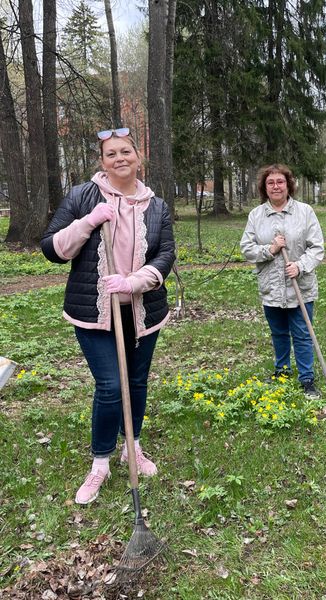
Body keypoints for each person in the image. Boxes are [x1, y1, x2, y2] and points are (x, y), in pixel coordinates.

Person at [40, 127, 175, 505]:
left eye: (126, 152)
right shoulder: (83, 197)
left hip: (141, 309)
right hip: (94, 311)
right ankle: (100, 461)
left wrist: (135, 281)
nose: (120, 158)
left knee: (136, 382)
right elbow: (52, 248)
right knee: (111, 386)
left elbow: (165, 254)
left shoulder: (157, 205)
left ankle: (132, 446)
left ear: (138, 157)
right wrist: (88, 222)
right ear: (102, 162)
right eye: (111, 153)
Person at [240, 164, 324, 399]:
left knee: (303, 333)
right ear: (264, 188)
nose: (276, 186)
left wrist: (300, 266)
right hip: (272, 287)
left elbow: (317, 248)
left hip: (301, 286)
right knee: (278, 332)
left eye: (280, 182)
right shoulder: (256, 216)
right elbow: (247, 249)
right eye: (270, 183)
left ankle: (307, 378)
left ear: (288, 185)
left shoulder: (305, 212)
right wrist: (271, 249)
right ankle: (282, 371)